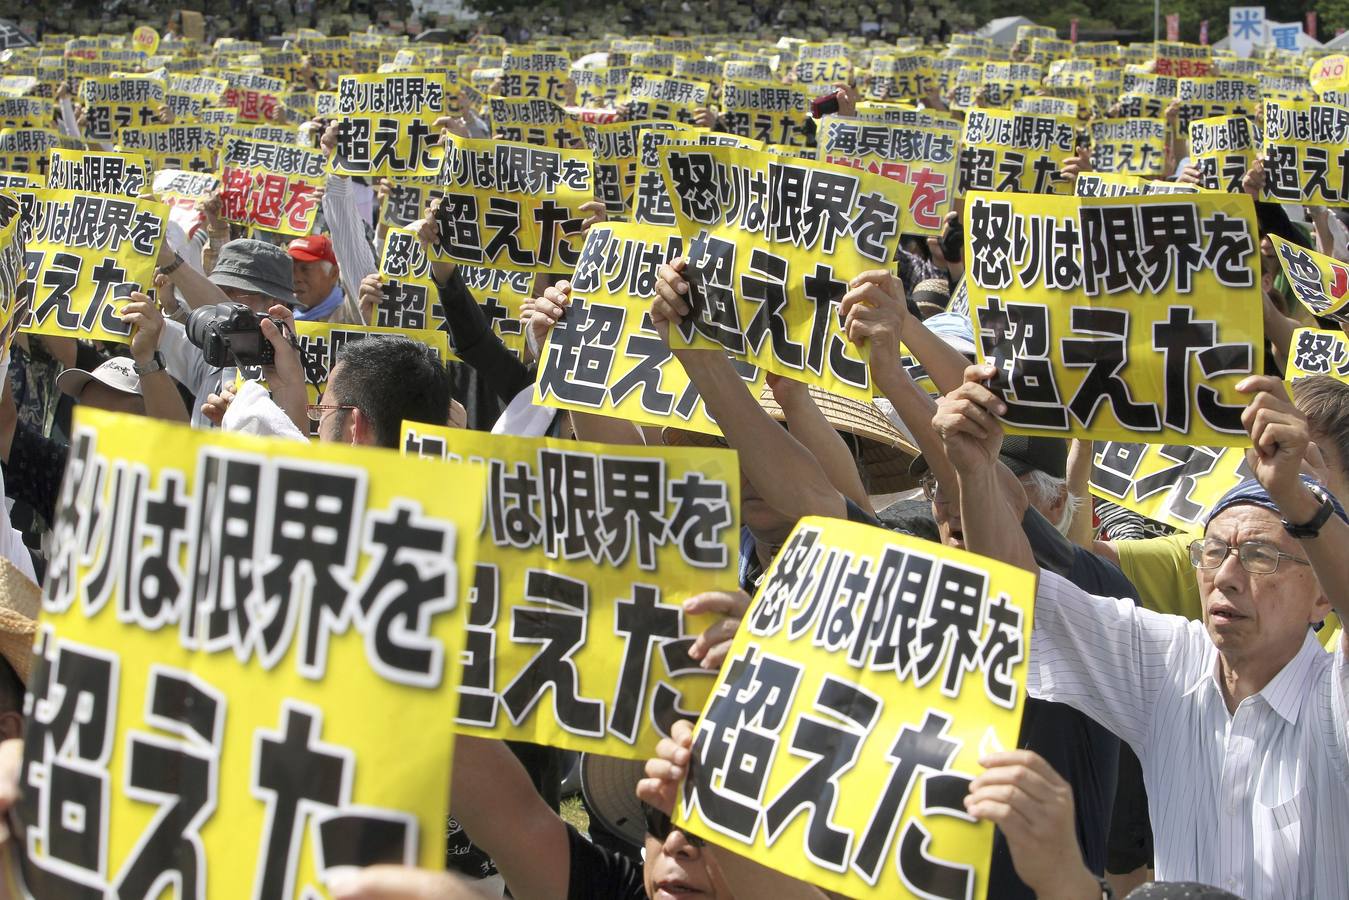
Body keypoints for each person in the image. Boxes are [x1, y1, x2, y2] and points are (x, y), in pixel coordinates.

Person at [934, 365, 1349, 899]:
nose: (1225, 576)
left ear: (1322, 596)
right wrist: (974, 470)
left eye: (1260, 556)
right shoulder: (1171, 665)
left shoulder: (1331, 699)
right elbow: (1024, 597)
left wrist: (1299, 501)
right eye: (1215, 551)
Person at [287, 234, 350, 321]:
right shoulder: (284, 316)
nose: (295, 278)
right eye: (291, 268)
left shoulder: (351, 320)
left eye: (305, 269)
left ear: (333, 274)